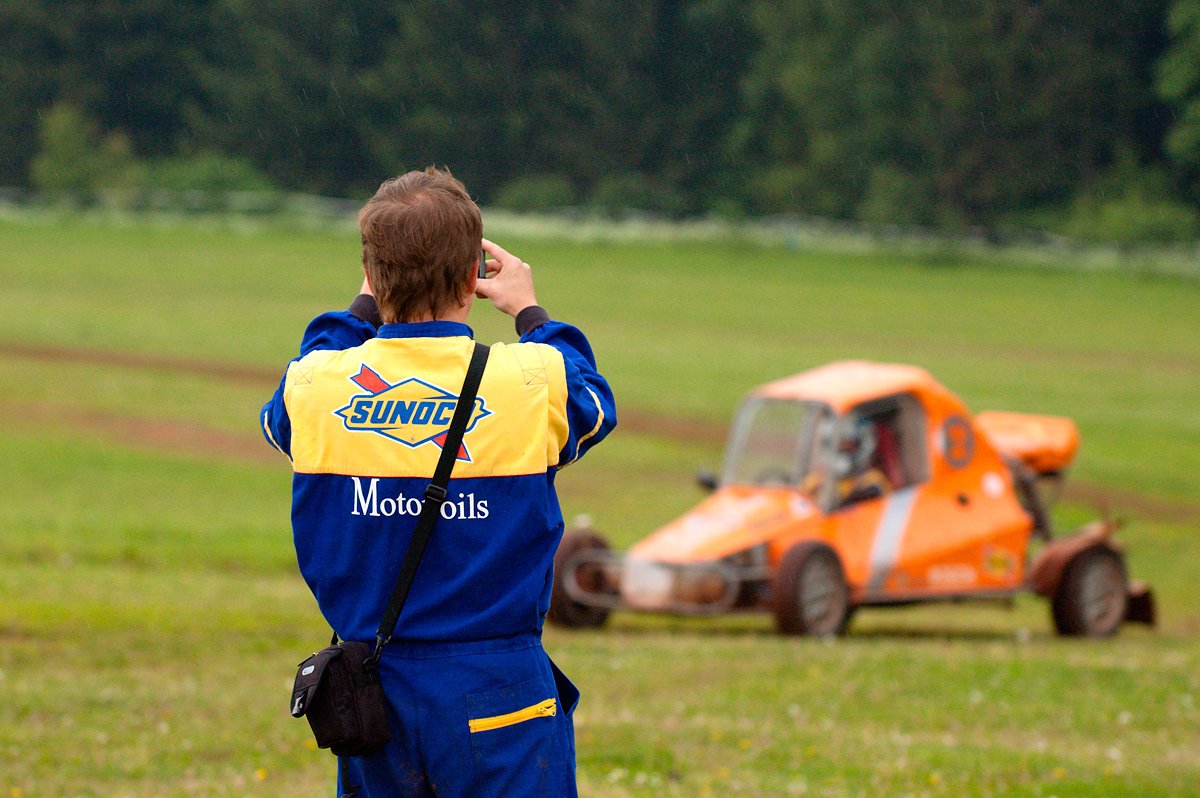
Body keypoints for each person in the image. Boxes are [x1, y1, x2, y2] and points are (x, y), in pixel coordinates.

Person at [260, 166, 616, 797]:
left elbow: (290, 401)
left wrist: (358, 309)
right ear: (471, 277)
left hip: (373, 688)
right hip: (498, 686)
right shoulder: (533, 380)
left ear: (372, 274)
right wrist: (531, 312)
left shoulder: (314, 386)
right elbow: (595, 404)